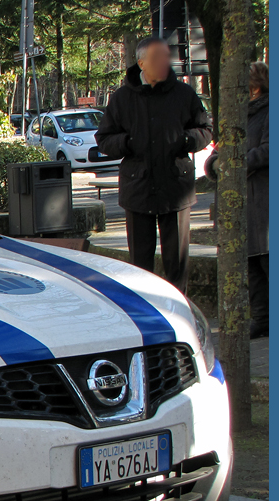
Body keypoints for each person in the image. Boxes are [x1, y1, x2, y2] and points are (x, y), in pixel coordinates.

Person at [96, 35, 213, 294]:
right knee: (140, 266)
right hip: (138, 189)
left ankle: (178, 311)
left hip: (175, 190)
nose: (164, 63)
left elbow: (205, 129)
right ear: (141, 63)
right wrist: (127, 142)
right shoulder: (122, 98)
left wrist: (185, 139)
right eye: (157, 58)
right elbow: (103, 139)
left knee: (177, 265)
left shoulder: (184, 94)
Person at [206, 61, 268, 338]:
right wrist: (216, 164)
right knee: (250, 262)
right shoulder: (237, 115)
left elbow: (267, 150)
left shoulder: (268, 112)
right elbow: (217, 151)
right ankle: (262, 318)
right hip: (240, 200)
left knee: (266, 258)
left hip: (264, 196)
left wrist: (235, 164)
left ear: (254, 86)